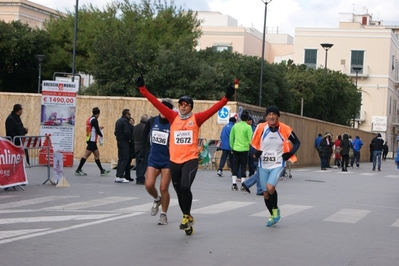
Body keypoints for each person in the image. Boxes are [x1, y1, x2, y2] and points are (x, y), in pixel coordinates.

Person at [136, 74, 235, 234]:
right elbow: (154, 102)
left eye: (187, 105)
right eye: (181, 104)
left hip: (190, 159)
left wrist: (226, 98)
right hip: (174, 160)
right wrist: (142, 89)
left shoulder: (196, 119)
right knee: (177, 190)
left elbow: (213, 109)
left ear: (191, 107)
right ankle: (187, 218)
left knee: (184, 186)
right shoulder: (172, 116)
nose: (183, 107)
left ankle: (186, 215)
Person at [251, 105, 300, 227]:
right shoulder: (261, 128)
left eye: (274, 114)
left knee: (270, 187)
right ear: (266, 116)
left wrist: (289, 154)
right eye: (269, 114)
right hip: (263, 164)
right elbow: (252, 145)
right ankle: (273, 214)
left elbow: (297, 142)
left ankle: (276, 209)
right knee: (266, 193)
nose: (271, 116)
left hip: (278, 163)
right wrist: (255, 153)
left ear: (278, 116)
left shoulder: (285, 129)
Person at [142, 99, 174, 225]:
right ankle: (157, 199)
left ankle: (164, 214)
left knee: (163, 187)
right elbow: (143, 137)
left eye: (166, 109)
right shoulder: (151, 121)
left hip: (167, 160)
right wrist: (142, 153)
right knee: (149, 185)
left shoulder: (173, 123)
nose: (163, 111)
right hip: (153, 159)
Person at [75, 107, 109, 176]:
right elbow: (96, 130)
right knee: (86, 155)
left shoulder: (90, 119)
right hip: (92, 140)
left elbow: (93, 128)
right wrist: (101, 135)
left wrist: (98, 128)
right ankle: (78, 170)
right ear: (98, 114)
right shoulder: (95, 120)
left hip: (89, 139)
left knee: (97, 154)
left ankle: (102, 171)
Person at [229, 110, 253, 191]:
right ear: (247, 119)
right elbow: (251, 139)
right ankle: (243, 184)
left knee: (235, 166)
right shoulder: (248, 127)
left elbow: (231, 137)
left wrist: (232, 146)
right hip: (244, 149)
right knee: (243, 166)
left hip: (236, 148)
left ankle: (234, 184)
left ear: (240, 117)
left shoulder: (235, 126)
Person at [114, 109, 133, 183]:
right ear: (126, 114)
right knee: (125, 158)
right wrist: (129, 139)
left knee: (120, 158)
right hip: (124, 141)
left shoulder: (118, 121)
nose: (130, 116)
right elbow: (127, 132)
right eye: (129, 114)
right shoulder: (125, 121)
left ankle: (118, 175)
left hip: (119, 141)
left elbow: (115, 132)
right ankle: (121, 176)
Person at [134, 114, 149, 185]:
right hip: (144, 147)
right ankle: (140, 177)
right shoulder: (146, 128)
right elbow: (148, 138)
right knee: (144, 163)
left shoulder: (136, 127)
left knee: (138, 163)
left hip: (136, 147)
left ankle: (138, 177)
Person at [123, 117, 136, 182]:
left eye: (132, 121)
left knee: (128, 162)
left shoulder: (133, 128)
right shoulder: (131, 128)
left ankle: (126, 175)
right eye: (130, 121)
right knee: (128, 162)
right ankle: (127, 175)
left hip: (130, 146)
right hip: (130, 147)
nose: (131, 122)